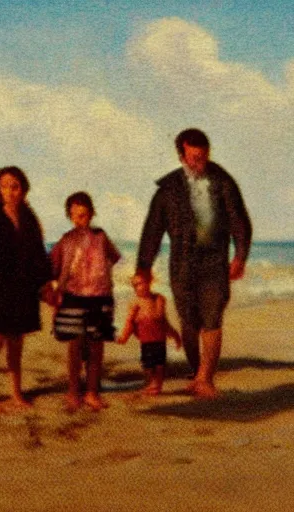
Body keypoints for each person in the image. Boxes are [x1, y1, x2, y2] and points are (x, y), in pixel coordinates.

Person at [136, 128, 252, 399]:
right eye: (193, 157)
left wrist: (240, 256)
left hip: (214, 262)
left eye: (203, 157)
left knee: (212, 318)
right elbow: (152, 230)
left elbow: (240, 222)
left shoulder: (223, 181)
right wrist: (144, 266)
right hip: (182, 264)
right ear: (181, 156)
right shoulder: (168, 189)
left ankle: (205, 378)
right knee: (189, 321)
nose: (199, 162)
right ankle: (197, 371)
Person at [0, 166, 52, 413]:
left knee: (16, 342)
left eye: (15, 186)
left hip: (23, 286)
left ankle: (16, 393)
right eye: (5, 186)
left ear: (23, 189)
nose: (10, 191)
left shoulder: (29, 217)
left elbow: (38, 254)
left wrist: (45, 284)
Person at [50, 192, 121, 411]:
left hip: (100, 296)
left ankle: (91, 392)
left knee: (96, 345)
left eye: (84, 214)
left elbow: (115, 257)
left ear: (91, 213)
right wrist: (55, 291)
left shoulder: (101, 236)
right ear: (70, 216)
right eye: (75, 215)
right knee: (75, 344)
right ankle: (73, 391)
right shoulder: (66, 239)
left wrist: (102, 272)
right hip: (73, 296)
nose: (80, 219)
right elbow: (52, 266)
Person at [117, 273, 181, 395]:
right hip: (146, 340)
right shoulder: (135, 303)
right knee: (148, 364)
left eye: (140, 284)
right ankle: (151, 383)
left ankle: (157, 385)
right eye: (134, 285)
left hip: (160, 339)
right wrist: (124, 337)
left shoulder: (159, 299)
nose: (137, 288)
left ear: (149, 282)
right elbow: (129, 322)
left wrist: (175, 334)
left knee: (160, 363)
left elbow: (164, 320)